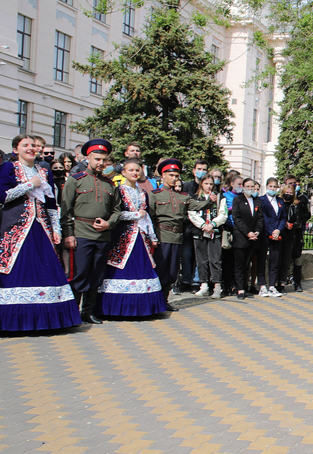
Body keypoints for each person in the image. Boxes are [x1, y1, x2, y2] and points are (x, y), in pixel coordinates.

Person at [0, 134, 81, 330]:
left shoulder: (44, 171)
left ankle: (47, 319)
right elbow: (2, 196)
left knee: (46, 270)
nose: (30, 148)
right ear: (15, 150)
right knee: (16, 270)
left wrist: (56, 228)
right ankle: (12, 321)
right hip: (16, 228)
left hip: (41, 227)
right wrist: (29, 185)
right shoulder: (8, 168)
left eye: (33, 145)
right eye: (25, 145)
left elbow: (52, 203)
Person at [95, 158, 167, 317]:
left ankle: (143, 307)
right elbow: (115, 213)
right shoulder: (118, 190)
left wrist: (151, 234)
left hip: (140, 236)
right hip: (122, 235)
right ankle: (114, 307)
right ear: (123, 172)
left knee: (142, 267)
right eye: (131, 170)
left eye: (137, 170)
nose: (135, 173)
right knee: (120, 266)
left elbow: (147, 216)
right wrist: (135, 215)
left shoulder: (142, 192)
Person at [61, 139, 123, 325]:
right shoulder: (75, 180)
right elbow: (66, 210)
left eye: (104, 160)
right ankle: (72, 312)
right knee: (79, 274)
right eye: (97, 159)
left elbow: (117, 211)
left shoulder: (110, 184)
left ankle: (88, 312)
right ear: (88, 158)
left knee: (96, 274)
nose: (101, 163)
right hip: (81, 233)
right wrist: (68, 234)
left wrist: (109, 224)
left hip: (103, 235)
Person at [149, 160, 211, 311]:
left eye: (176, 176)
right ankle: (154, 302)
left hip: (177, 237)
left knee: (172, 272)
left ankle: (164, 300)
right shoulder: (155, 195)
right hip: (161, 236)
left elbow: (196, 205)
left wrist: (210, 199)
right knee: (160, 270)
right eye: (171, 175)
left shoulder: (182, 196)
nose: (174, 178)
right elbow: (150, 217)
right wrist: (151, 238)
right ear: (163, 175)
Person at [189, 174, 229, 298]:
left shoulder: (219, 197)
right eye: (206, 183)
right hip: (200, 232)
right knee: (201, 260)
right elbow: (192, 214)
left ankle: (217, 286)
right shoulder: (195, 197)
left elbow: (223, 214)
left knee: (215, 259)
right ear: (202, 184)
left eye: (211, 184)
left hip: (214, 232)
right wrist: (202, 225)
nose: (209, 186)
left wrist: (212, 225)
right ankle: (203, 284)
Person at [177, 159, 210, 293]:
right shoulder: (186, 187)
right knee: (186, 254)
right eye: (199, 169)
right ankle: (185, 280)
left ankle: (196, 280)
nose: (201, 172)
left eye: (204, 169)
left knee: (199, 256)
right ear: (193, 171)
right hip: (187, 226)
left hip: (202, 227)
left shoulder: (208, 187)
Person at [231, 178, 263, 300]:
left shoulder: (257, 201)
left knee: (248, 265)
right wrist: (247, 232)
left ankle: (245, 286)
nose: (250, 189)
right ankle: (239, 289)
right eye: (248, 186)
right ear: (243, 187)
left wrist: (257, 232)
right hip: (241, 237)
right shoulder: (238, 200)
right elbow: (236, 218)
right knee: (240, 265)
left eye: (252, 187)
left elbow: (260, 218)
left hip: (253, 238)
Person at [258, 177, 287, 297]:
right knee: (262, 260)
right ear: (266, 187)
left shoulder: (280, 201)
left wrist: (278, 230)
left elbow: (283, 217)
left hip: (277, 234)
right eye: (270, 186)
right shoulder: (261, 200)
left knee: (275, 260)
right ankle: (261, 285)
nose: (273, 189)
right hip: (265, 234)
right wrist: (271, 231)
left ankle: (272, 285)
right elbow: (263, 217)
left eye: (275, 187)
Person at [283, 174, 310, 292]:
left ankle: (297, 282)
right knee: (284, 258)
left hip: (297, 231)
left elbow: (308, 214)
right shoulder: (283, 198)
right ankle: (283, 281)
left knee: (297, 257)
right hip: (285, 231)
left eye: (295, 184)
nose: (293, 186)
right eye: (290, 183)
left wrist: (299, 218)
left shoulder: (302, 198)